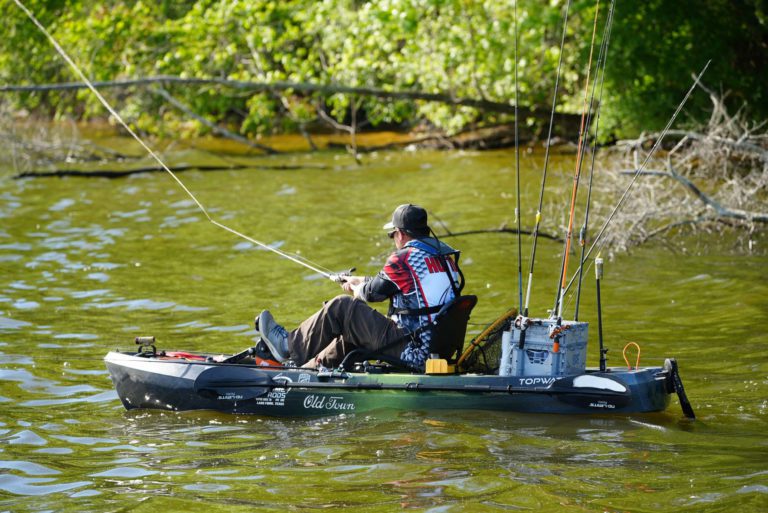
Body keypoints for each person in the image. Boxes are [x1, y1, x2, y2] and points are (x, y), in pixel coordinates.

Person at [257, 203, 464, 370]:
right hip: (438, 348)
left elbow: (373, 294)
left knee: (342, 308)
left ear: (400, 233)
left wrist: (357, 289)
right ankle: (307, 370)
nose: (393, 239)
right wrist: (360, 281)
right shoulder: (445, 260)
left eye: (392, 235)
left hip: (414, 350)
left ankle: (287, 346)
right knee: (355, 326)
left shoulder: (404, 258)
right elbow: (393, 285)